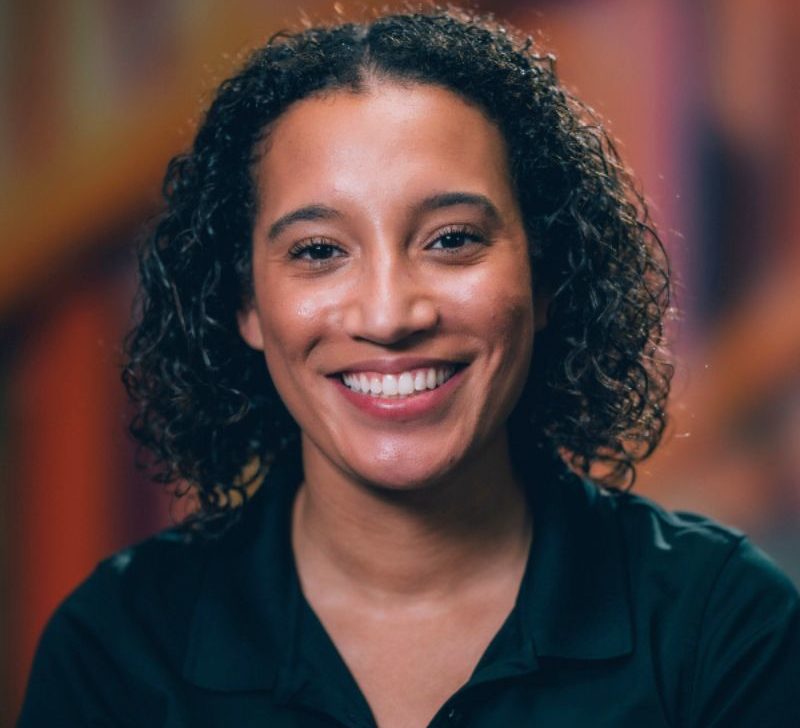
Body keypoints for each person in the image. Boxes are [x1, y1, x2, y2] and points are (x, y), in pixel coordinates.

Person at [18, 7, 800, 727]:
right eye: (319, 251)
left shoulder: (725, 631)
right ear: (246, 305)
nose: (389, 316)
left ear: (549, 274)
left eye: (452, 238)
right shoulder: (118, 650)